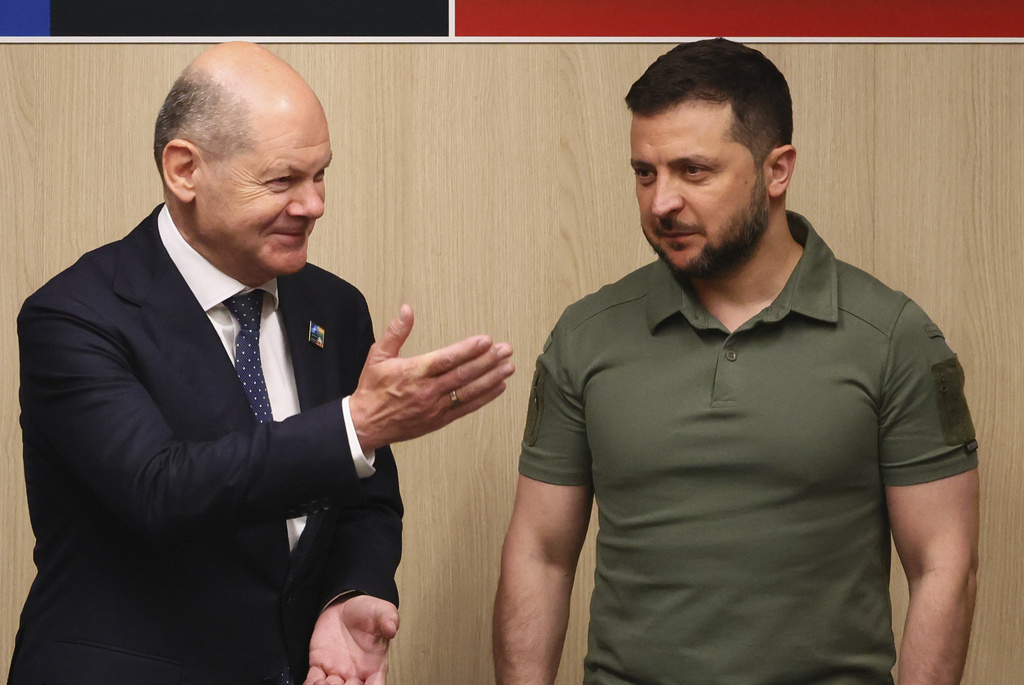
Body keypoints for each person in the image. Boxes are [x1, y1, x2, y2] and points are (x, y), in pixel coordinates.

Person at [10, 42, 514, 685]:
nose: (313, 205)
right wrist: (355, 426)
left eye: (320, 175)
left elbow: (362, 497)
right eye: (282, 180)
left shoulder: (333, 306)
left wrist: (350, 594)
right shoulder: (76, 314)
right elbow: (160, 488)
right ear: (185, 170)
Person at [494, 39, 979, 685]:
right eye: (645, 172)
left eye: (693, 171)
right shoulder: (587, 335)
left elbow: (944, 563)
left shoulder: (894, 338)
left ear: (777, 170)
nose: (661, 201)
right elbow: (541, 554)